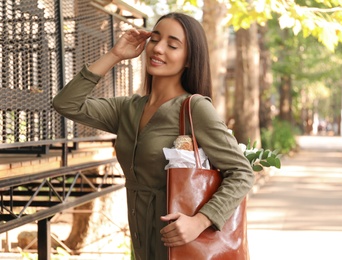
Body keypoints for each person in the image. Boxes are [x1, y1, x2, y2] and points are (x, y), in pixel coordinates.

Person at [53, 12, 254, 260]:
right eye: (155, 39)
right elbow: (66, 104)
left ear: (189, 59)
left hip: (183, 244)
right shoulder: (127, 108)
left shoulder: (194, 109)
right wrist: (114, 55)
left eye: (172, 45)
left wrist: (201, 221)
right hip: (141, 242)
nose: (158, 49)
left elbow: (241, 173)